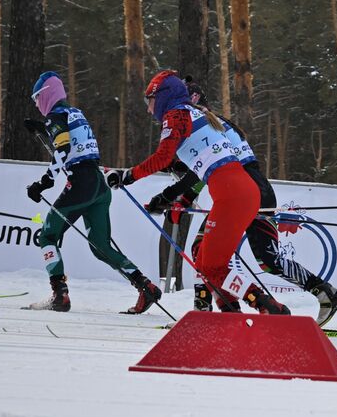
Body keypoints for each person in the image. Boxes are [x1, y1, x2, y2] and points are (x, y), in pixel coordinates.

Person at [144, 79, 337, 325]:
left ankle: (212, 311)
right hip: (253, 189)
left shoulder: (202, 123)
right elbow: (202, 172)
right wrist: (180, 198)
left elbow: (198, 173)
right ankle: (324, 292)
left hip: (243, 190)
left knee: (206, 252)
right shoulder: (211, 122)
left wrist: (169, 196)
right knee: (264, 260)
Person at [106, 70, 288, 315]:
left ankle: (266, 306)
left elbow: (162, 158)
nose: (149, 110)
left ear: (162, 97)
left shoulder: (176, 115)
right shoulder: (195, 112)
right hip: (242, 192)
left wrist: (127, 175)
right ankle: (233, 310)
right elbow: (193, 166)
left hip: (232, 195)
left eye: (149, 101)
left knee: (211, 266)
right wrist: (173, 198)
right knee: (206, 262)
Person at [23, 72, 162, 314]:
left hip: (81, 186)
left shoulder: (56, 116)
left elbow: (63, 149)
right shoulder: (73, 112)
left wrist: (44, 182)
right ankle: (145, 285)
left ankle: (59, 294)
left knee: (47, 236)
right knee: (100, 247)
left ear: (46, 96)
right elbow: (70, 138)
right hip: (98, 186)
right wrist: (44, 130)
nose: (36, 104)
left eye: (37, 98)